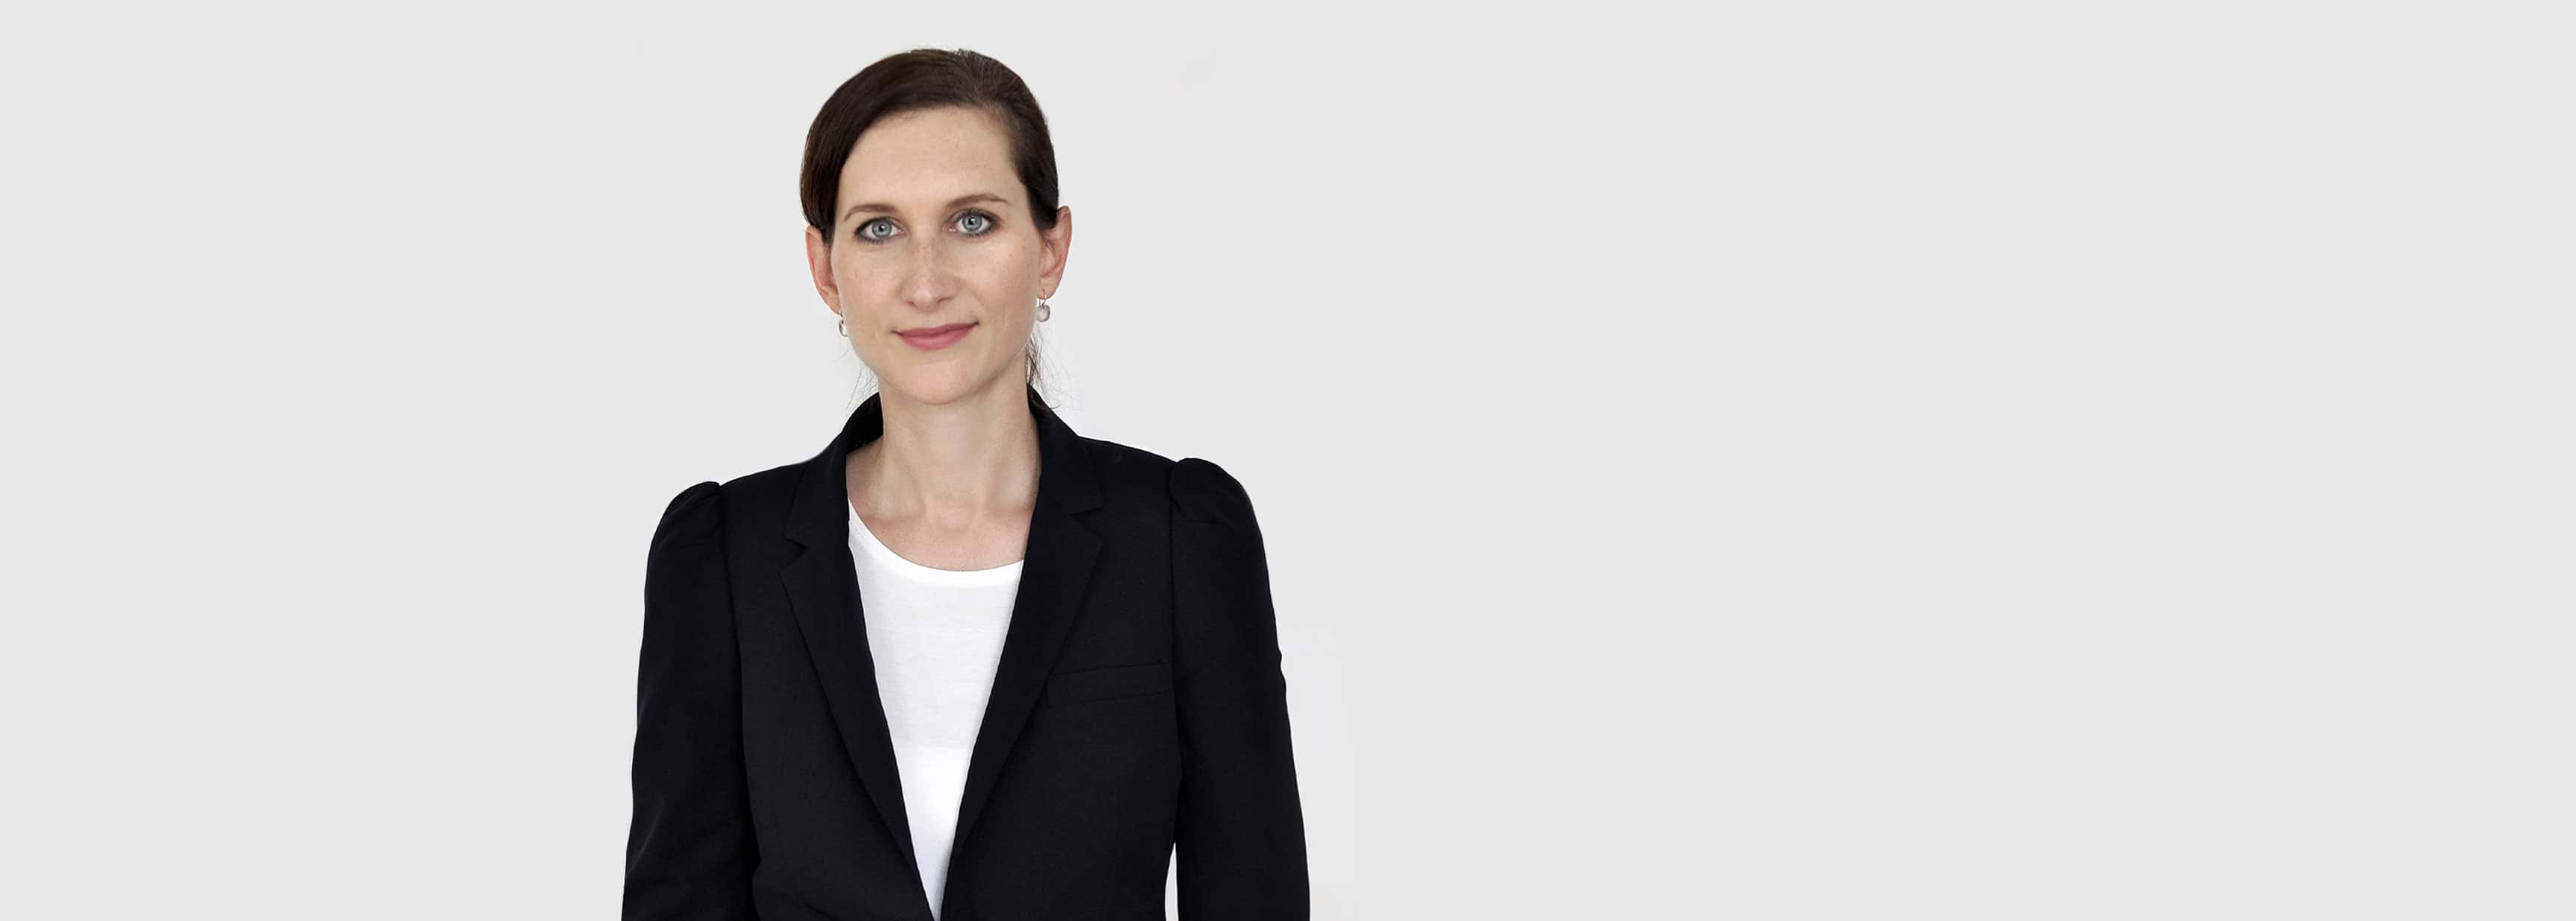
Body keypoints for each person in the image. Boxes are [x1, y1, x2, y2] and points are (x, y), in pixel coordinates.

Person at [620, 48, 1310, 921]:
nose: (927, 282)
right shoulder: (724, 556)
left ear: (1051, 249)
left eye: (973, 222)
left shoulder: (1179, 539)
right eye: (879, 229)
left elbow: (1254, 894)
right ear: (825, 269)